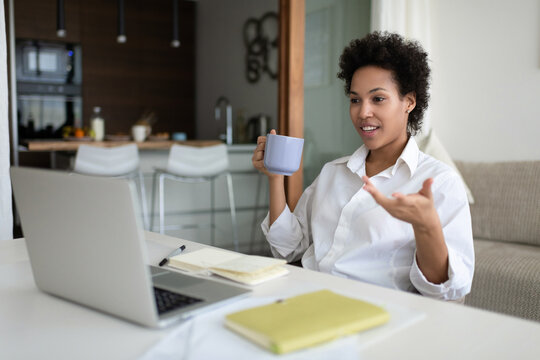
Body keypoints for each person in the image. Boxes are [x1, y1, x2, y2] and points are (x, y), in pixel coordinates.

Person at [251, 32, 474, 301]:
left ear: (409, 102)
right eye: (355, 100)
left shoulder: (440, 181)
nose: (363, 112)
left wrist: (426, 226)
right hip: (306, 297)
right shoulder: (333, 172)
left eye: (377, 99)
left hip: (374, 311)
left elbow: (445, 290)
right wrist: (276, 178)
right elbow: (289, 248)